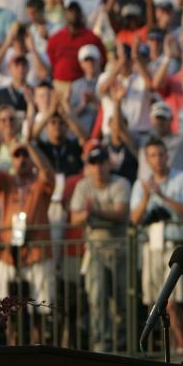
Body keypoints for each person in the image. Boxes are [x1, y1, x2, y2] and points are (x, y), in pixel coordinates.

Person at [130, 138, 183, 353]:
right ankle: (158, 346)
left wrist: (163, 197)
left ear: (167, 156)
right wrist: (147, 197)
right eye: (152, 155)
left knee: (174, 301)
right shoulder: (142, 183)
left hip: (174, 246)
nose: (158, 159)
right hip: (151, 247)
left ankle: (181, 345)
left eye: (161, 154)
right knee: (154, 300)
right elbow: (134, 218)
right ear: (147, 160)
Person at [70, 145, 131, 352]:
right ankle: (101, 343)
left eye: (101, 163)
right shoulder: (82, 186)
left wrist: (94, 211)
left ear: (108, 164)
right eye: (93, 164)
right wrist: (88, 215)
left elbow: (121, 213)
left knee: (124, 300)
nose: (97, 168)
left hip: (121, 250)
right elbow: (75, 218)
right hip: (95, 250)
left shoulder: (121, 183)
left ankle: (124, 341)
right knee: (96, 298)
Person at [0, 141, 55, 345]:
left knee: (38, 309)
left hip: (36, 253)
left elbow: (48, 172)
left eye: (26, 155)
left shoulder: (40, 183)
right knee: (7, 309)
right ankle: (13, 348)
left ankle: (37, 350)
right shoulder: (6, 181)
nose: (22, 159)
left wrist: (31, 146)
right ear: (12, 160)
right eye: (18, 155)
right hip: (8, 255)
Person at [46, 1, 107, 89]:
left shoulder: (91, 38)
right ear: (66, 15)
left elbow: (102, 59)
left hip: (82, 83)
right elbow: (51, 60)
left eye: (76, 12)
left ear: (80, 14)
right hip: (60, 83)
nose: (73, 15)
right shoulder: (56, 38)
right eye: (70, 12)